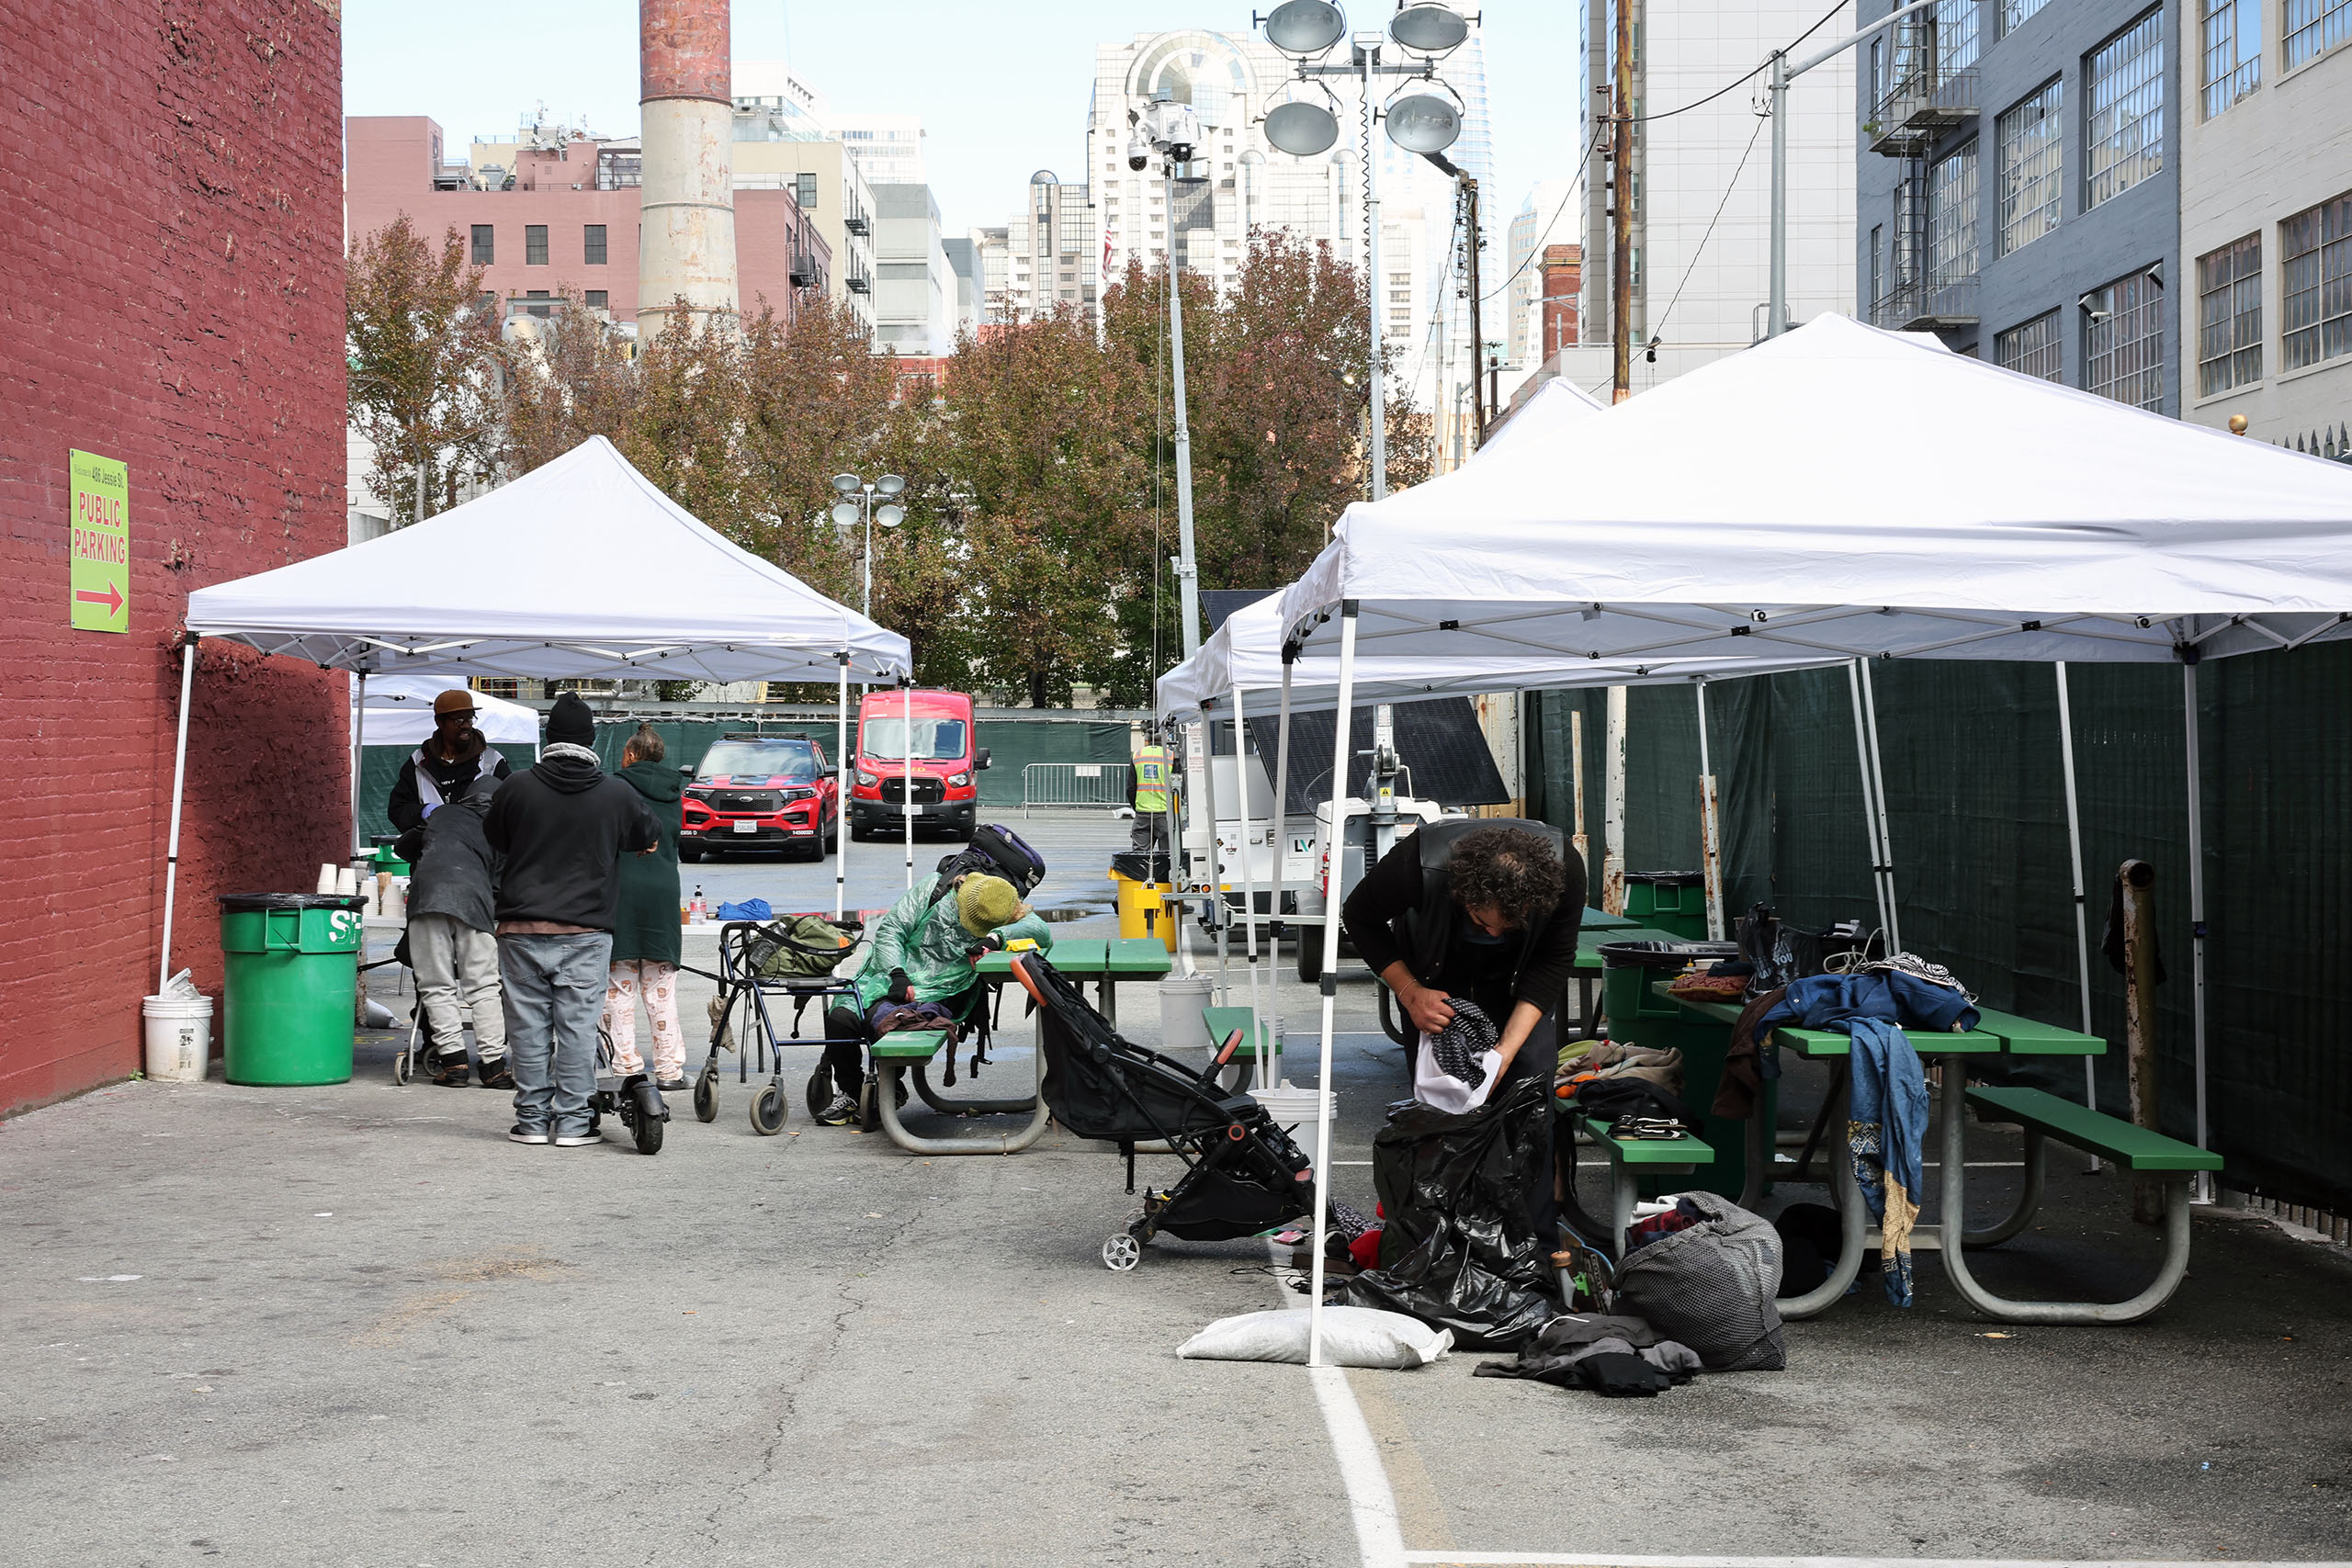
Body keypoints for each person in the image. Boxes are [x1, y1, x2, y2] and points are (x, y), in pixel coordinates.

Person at [1341, 820, 1586, 1230]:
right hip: (1433, 979)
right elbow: (1358, 917)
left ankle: (1533, 1242)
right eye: (1485, 922)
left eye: (1510, 925)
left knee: (1528, 1097)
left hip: (1517, 980)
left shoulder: (1565, 872)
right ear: (1466, 894)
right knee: (1441, 1107)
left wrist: (1506, 1053)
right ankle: (1443, 1234)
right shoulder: (1418, 866)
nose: (1495, 932)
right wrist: (1410, 992)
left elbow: (1553, 962)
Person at [483, 693, 659, 1146]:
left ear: (549, 738)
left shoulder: (516, 787)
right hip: (586, 931)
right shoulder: (616, 792)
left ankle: (532, 1122)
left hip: (520, 929)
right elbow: (647, 834)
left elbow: (495, 838)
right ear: (591, 740)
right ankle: (575, 1125)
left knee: (527, 1028)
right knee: (577, 1028)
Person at [810, 870, 1055, 1126]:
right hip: (888, 973)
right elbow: (892, 929)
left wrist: (995, 938)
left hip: (940, 989)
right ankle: (850, 1091)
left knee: (886, 1021)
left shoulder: (1001, 908)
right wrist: (897, 973)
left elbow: (1040, 931)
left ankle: (890, 1087)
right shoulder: (934, 888)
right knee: (840, 1018)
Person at [391, 775, 510, 1089]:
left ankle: (454, 1064)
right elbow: (500, 883)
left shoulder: (443, 814)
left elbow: (403, 845)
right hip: (474, 903)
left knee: (436, 984)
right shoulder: (501, 829)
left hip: (427, 897)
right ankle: (494, 1067)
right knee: (484, 986)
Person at [602, 723, 687, 1091]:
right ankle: (669, 1072)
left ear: (632, 755)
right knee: (660, 988)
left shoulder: (613, 788)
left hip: (621, 892)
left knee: (619, 989)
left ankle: (627, 1069)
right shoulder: (676, 792)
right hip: (663, 893)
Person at [389, 689, 514, 834]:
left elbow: (512, 808)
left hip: (480, 852)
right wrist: (423, 812)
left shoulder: (492, 761)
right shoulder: (419, 762)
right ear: (439, 722)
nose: (466, 725)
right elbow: (397, 810)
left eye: (470, 719)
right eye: (458, 720)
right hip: (432, 851)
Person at [1129, 726, 1171, 855]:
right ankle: (1164, 875)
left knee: (1139, 856)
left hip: (1143, 813)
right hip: (1165, 813)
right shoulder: (1171, 756)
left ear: (1147, 740)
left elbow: (1130, 788)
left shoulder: (1137, 755)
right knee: (1168, 855)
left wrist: (1137, 807)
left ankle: (1141, 875)